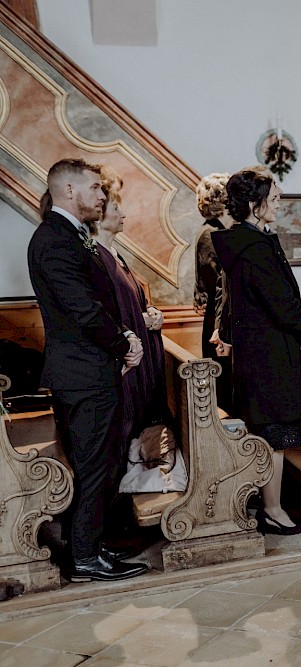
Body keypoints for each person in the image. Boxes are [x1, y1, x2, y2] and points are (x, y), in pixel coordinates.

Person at [27, 158, 149, 582]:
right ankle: (83, 560)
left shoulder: (69, 235)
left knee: (104, 463)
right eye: (95, 188)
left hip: (91, 370)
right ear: (69, 191)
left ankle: (91, 548)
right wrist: (125, 343)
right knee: (96, 467)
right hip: (83, 373)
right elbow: (83, 310)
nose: (102, 195)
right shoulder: (55, 240)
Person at [212, 167, 301, 535]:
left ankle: (271, 505)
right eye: (273, 199)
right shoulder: (254, 246)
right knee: (274, 436)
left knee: (272, 434)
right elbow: (280, 302)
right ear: (255, 205)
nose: (279, 204)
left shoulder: (245, 241)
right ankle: (273, 510)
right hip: (268, 355)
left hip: (259, 350)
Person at [91, 167, 168, 455]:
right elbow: (107, 312)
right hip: (126, 360)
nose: (123, 214)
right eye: (116, 208)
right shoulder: (97, 256)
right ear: (100, 214)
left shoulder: (116, 253)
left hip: (142, 355)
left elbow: (135, 299)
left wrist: (153, 312)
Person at [194, 173, 234, 411]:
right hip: (217, 318)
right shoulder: (211, 234)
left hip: (219, 315)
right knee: (224, 383)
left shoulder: (216, 231)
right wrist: (222, 329)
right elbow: (218, 286)